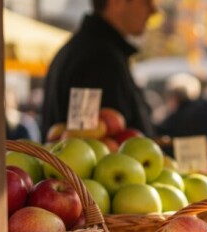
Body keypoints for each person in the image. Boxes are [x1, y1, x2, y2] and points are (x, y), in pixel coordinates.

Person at [42, 0, 157, 136]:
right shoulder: (99, 58)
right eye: (146, 2)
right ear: (116, 2)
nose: (154, 11)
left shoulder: (83, 48)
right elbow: (95, 139)